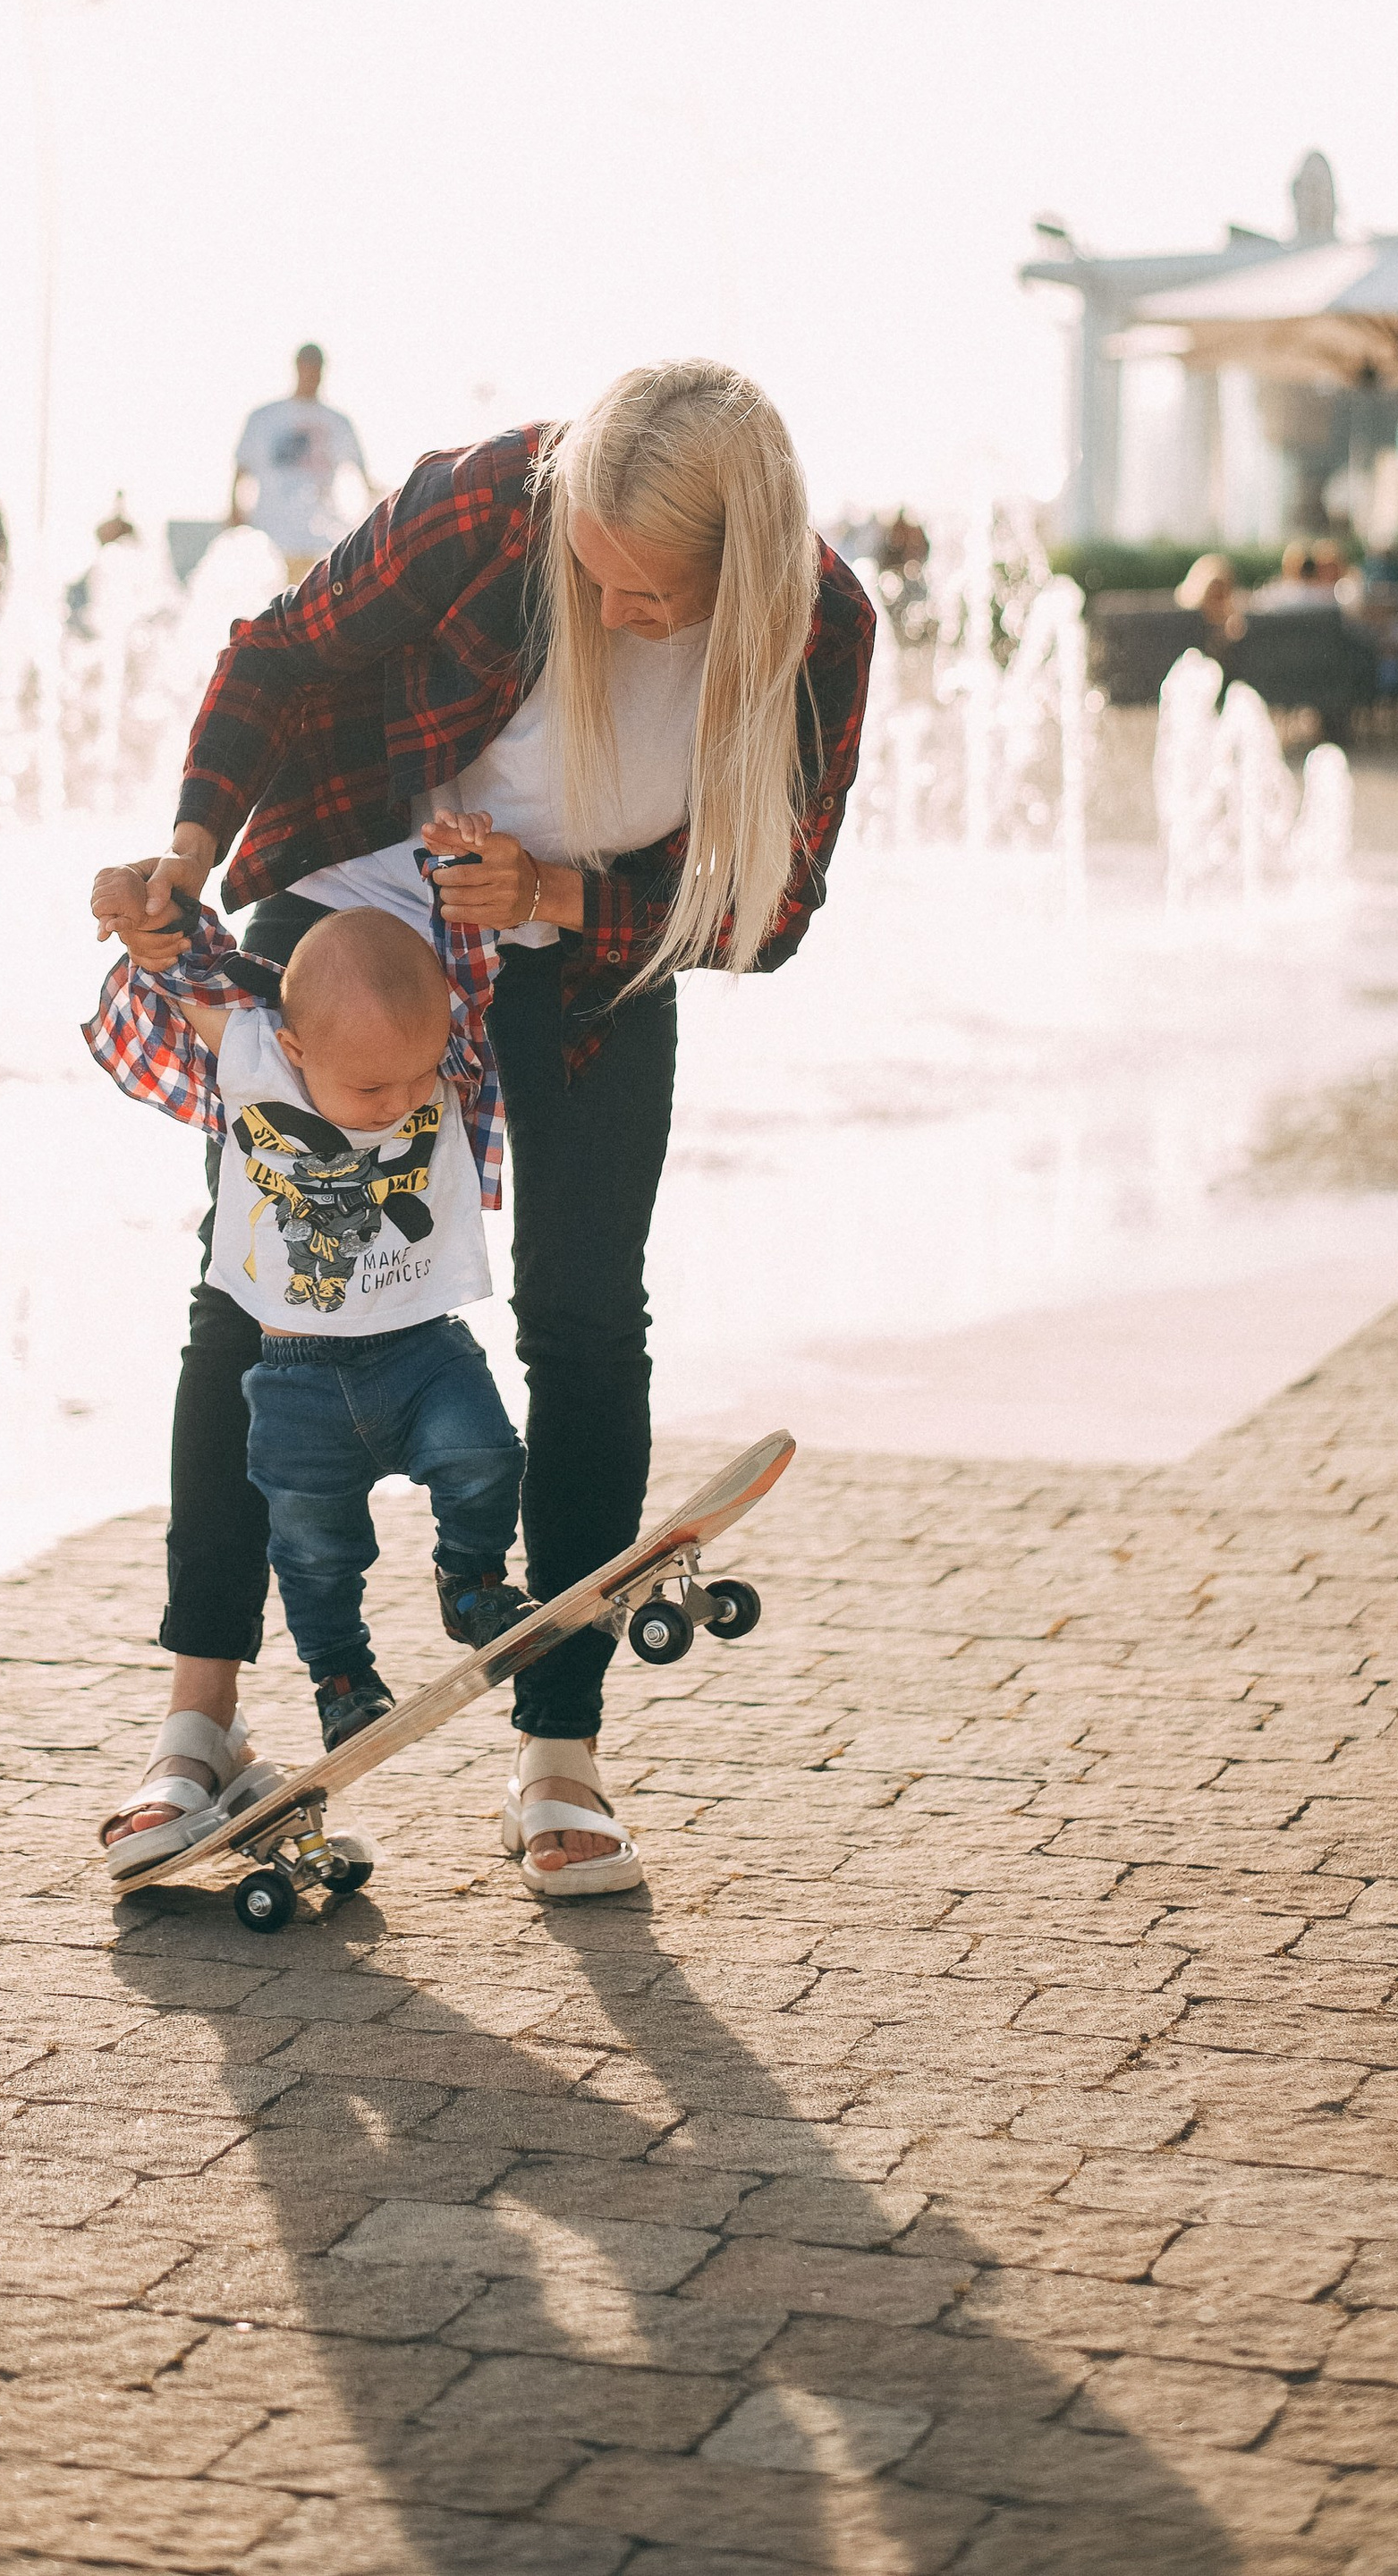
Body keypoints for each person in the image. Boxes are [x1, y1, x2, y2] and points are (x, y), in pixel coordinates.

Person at [89, 359, 875, 1894]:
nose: (613, 615)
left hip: (593, 944)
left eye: (650, 600)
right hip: (375, 898)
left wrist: (564, 897)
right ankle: (197, 1729)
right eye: (592, 577)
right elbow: (276, 656)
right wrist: (188, 853)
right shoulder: (494, 506)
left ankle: (560, 1766)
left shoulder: (822, 628)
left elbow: (774, 912)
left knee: (585, 1317)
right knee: (256, 1298)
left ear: (745, 570)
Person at [89, 882, 535, 1814]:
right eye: (372, 1089)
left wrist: (459, 882)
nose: (402, 1103)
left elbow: (468, 977)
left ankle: (472, 1578)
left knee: (486, 1452)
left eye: (417, 1081)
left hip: (422, 1351)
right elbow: (181, 988)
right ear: (295, 1052)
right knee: (314, 1552)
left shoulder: (430, 1050)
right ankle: (341, 1682)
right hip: (294, 1380)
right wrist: (150, 920)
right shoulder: (257, 1057)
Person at [232, 344, 372, 582]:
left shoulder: (337, 422)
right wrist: (234, 513)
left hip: (321, 538)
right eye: (307, 368)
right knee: (272, 604)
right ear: (297, 367)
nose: (312, 375)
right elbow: (241, 470)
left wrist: (366, 526)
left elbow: (362, 477)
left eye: (316, 369)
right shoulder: (265, 417)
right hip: (272, 533)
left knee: (308, 606)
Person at [1173, 552, 1246, 647]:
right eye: (1214, 593)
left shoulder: (1230, 619)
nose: (1217, 600)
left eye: (1220, 594)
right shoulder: (1191, 622)